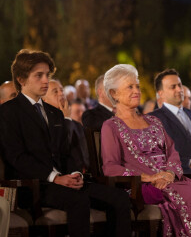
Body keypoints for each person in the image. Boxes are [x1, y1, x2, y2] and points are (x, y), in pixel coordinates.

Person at [0, 49, 131, 237]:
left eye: (47, 75)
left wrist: (75, 174)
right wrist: (55, 177)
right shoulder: (8, 112)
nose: (46, 80)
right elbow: (16, 158)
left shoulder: (55, 113)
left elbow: (66, 152)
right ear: (21, 79)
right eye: (39, 75)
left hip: (65, 181)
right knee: (78, 200)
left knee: (119, 198)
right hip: (34, 186)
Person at [101, 64, 191, 236]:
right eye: (130, 87)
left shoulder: (154, 121)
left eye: (137, 86)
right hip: (142, 186)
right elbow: (110, 167)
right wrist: (150, 178)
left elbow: (173, 153)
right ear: (113, 94)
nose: (136, 91)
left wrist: (169, 174)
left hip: (170, 180)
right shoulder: (111, 126)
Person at [150, 69, 191, 174]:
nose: (179, 89)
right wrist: (190, 164)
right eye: (173, 87)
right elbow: (155, 155)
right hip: (181, 178)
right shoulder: (154, 119)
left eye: (180, 85)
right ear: (161, 93)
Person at [43, 79, 89, 172]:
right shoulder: (43, 125)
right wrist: (66, 119)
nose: (61, 93)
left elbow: (85, 157)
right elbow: (60, 150)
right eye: (55, 92)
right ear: (44, 100)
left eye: (61, 90)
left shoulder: (76, 125)